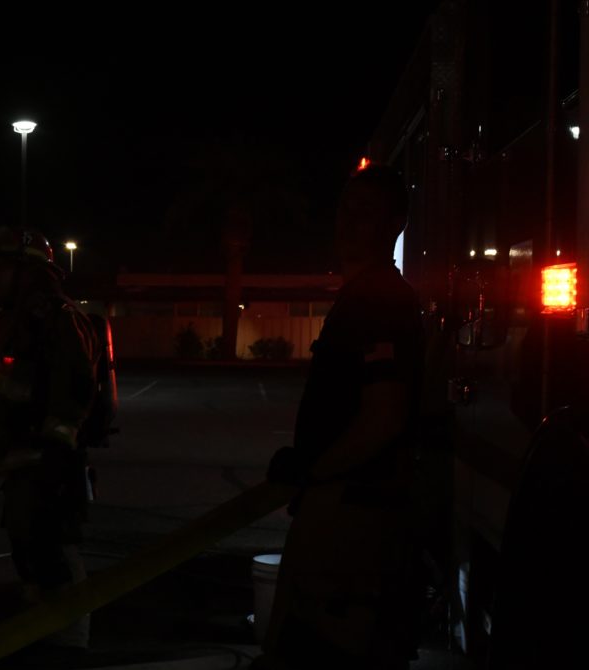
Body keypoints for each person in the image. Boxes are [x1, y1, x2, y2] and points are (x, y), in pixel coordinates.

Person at [260, 166, 425, 669]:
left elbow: (385, 415)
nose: (348, 222)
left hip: (352, 522)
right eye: (344, 209)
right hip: (342, 509)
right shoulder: (362, 297)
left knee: (321, 646)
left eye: (365, 213)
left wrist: (314, 470)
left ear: (395, 225)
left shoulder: (379, 301)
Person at [0, 226, 100, 651]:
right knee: (29, 549)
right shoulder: (22, 320)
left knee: (55, 553)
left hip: (49, 464)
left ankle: (70, 644)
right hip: (23, 460)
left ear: (26, 270)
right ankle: (42, 635)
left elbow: (76, 387)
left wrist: (54, 453)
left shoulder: (57, 319)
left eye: (2, 268)